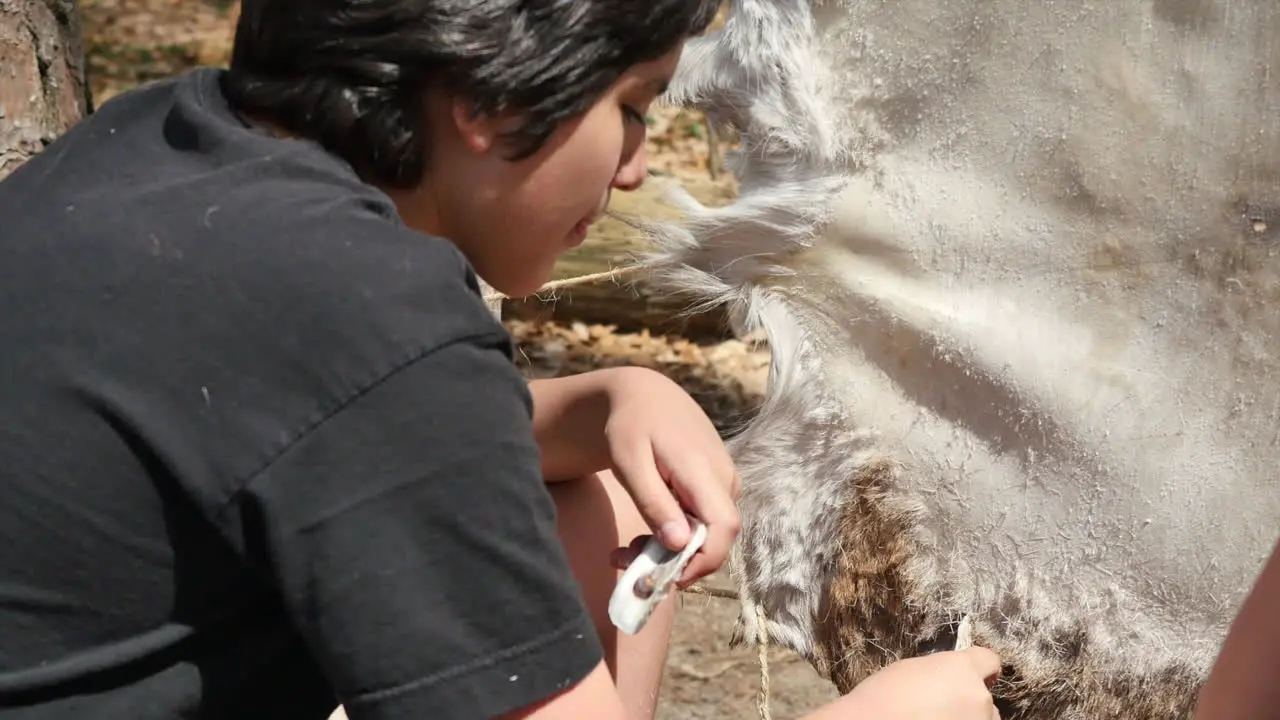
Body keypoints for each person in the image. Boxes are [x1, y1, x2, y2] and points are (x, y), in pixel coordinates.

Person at [0, 1, 1002, 718]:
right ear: (484, 94)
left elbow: (299, 437)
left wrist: (608, 398)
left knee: (593, 506)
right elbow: (367, 405)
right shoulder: (363, 304)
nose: (636, 165)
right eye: (633, 106)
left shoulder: (172, 144)